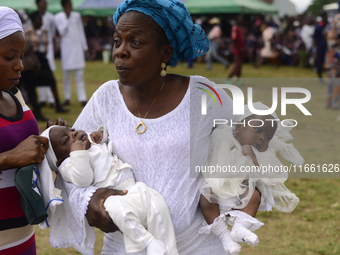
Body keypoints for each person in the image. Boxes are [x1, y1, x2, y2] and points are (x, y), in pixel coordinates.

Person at [48, 0, 262, 254]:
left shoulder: (203, 95)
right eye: (117, 41)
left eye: (135, 43)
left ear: (166, 53)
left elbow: (252, 140)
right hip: (125, 247)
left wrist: (244, 186)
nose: (120, 52)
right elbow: (66, 166)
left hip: (198, 246)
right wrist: (88, 200)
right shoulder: (106, 97)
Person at [39, 125, 178, 255]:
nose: (74, 133)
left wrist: (99, 136)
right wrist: (78, 154)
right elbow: (83, 179)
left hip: (134, 188)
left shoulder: (88, 144)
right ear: (60, 159)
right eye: (66, 139)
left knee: (158, 207)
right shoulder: (67, 165)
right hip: (114, 197)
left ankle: (169, 249)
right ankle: (148, 242)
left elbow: (105, 142)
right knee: (118, 211)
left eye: (71, 129)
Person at [199, 102, 302, 255]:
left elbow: (261, 174)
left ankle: (240, 227)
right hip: (219, 184)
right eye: (258, 130)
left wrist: (253, 157)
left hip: (242, 187)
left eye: (267, 137)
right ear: (239, 128)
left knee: (255, 196)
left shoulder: (261, 153)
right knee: (206, 198)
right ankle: (224, 236)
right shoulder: (223, 136)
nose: (262, 138)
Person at [0, 6, 49, 254]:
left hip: (23, 236)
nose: (20, 65)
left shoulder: (15, 96)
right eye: (10, 57)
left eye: (21, 55)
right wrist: (10, 158)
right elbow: (15, 153)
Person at [29, 11, 69, 114]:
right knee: (32, 84)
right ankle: (36, 109)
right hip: (33, 60)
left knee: (51, 81)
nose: (41, 20)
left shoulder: (43, 31)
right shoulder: (28, 32)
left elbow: (47, 44)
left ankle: (57, 105)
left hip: (43, 59)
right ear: (34, 20)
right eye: (39, 19)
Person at [54, 0, 88, 106]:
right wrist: (67, 18)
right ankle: (67, 98)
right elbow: (62, 31)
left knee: (79, 75)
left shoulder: (76, 15)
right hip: (67, 50)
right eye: (68, 5)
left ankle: (82, 98)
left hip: (77, 48)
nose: (70, 7)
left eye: (71, 5)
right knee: (66, 77)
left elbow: (81, 31)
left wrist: (85, 46)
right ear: (64, 6)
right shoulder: (58, 17)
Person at [226, 16, 246, 86]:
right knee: (237, 65)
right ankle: (228, 78)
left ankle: (238, 79)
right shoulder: (235, 28)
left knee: (240, 65)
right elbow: (234, 39)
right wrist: (239, 48)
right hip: (237, 50)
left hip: (241, 50)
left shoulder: (241, 29)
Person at [313, 11, 328, 84]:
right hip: (321, 48)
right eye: (325, 16)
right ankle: (320, 77)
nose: (326, 18)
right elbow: (315, 39)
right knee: (320, 62)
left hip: (328, 48)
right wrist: (315, 49)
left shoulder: (329, 26)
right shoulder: (318, 27)